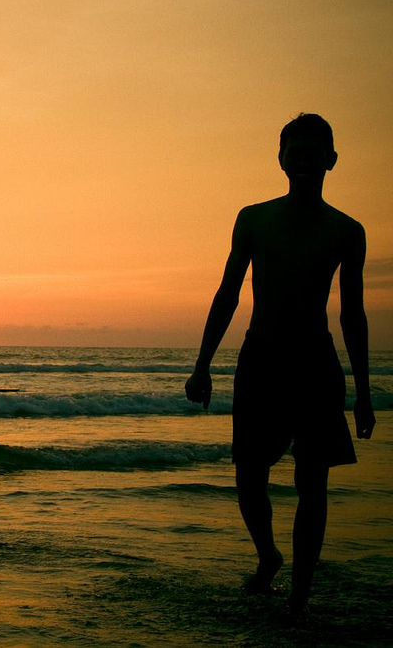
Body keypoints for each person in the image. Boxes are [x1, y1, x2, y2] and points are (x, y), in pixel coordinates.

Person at [185, 114, 375, 611]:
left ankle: (301, 593)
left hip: (315, 363)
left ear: (331, 160)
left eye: (317, 153)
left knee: (312, 480)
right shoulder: (254, 218)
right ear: (282, 158)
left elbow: (352, 314)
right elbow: (227, 293)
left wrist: (365, 395)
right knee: (249, 474)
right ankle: (268, 556)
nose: (307, 160)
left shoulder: (346, 230)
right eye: (297, 151)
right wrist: (202, 363)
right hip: (261, 359)